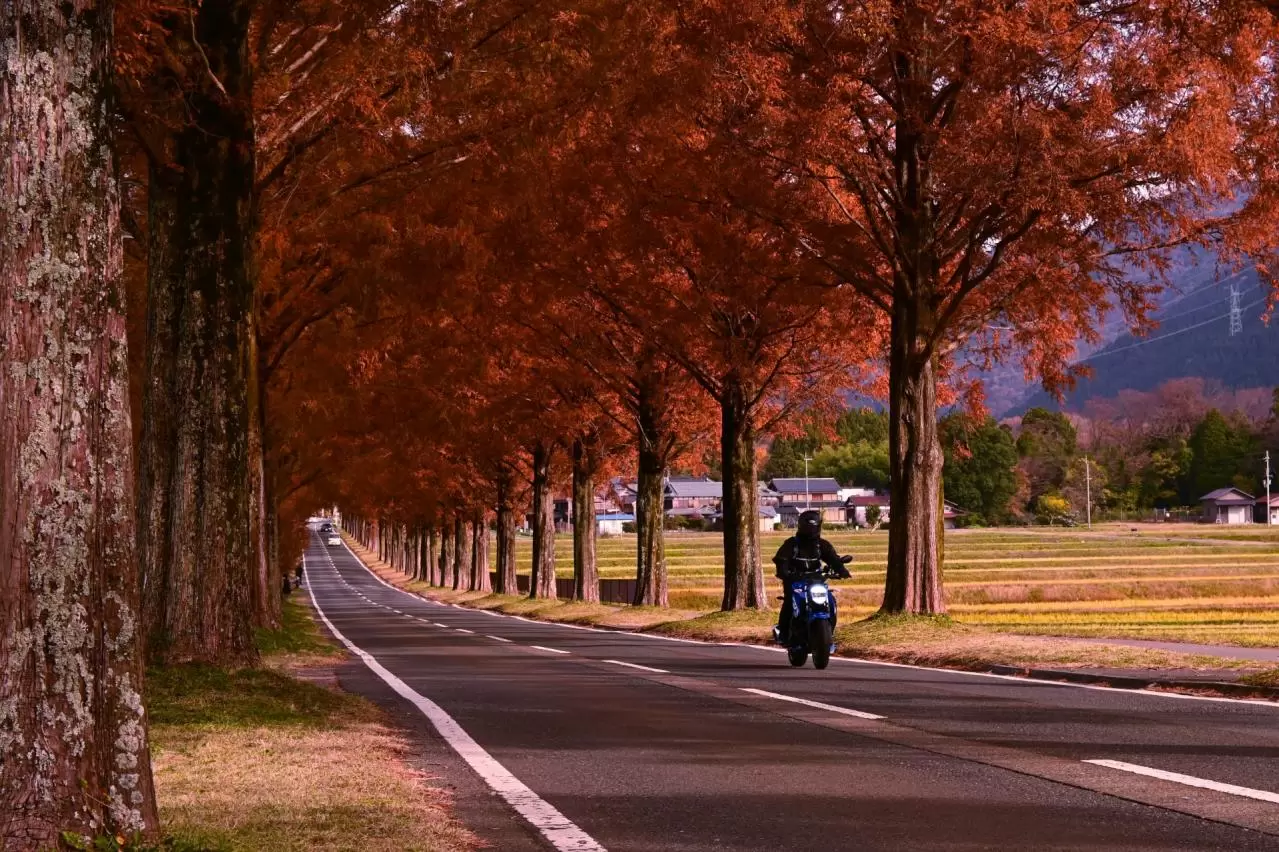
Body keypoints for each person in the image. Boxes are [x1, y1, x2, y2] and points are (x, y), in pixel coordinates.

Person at [772, 509, 851, 644]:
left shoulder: (821, 545)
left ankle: (829, 631)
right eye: (808, 526)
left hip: (817, 580)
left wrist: (842, 570)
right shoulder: (791, 544)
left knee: (830, 600)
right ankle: (784, 632)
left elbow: (833, 559)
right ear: (801, 525)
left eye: (813, 526)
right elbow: (781, 559)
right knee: (790, 602)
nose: (811, 529)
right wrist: (784, 572)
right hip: (795, 581)